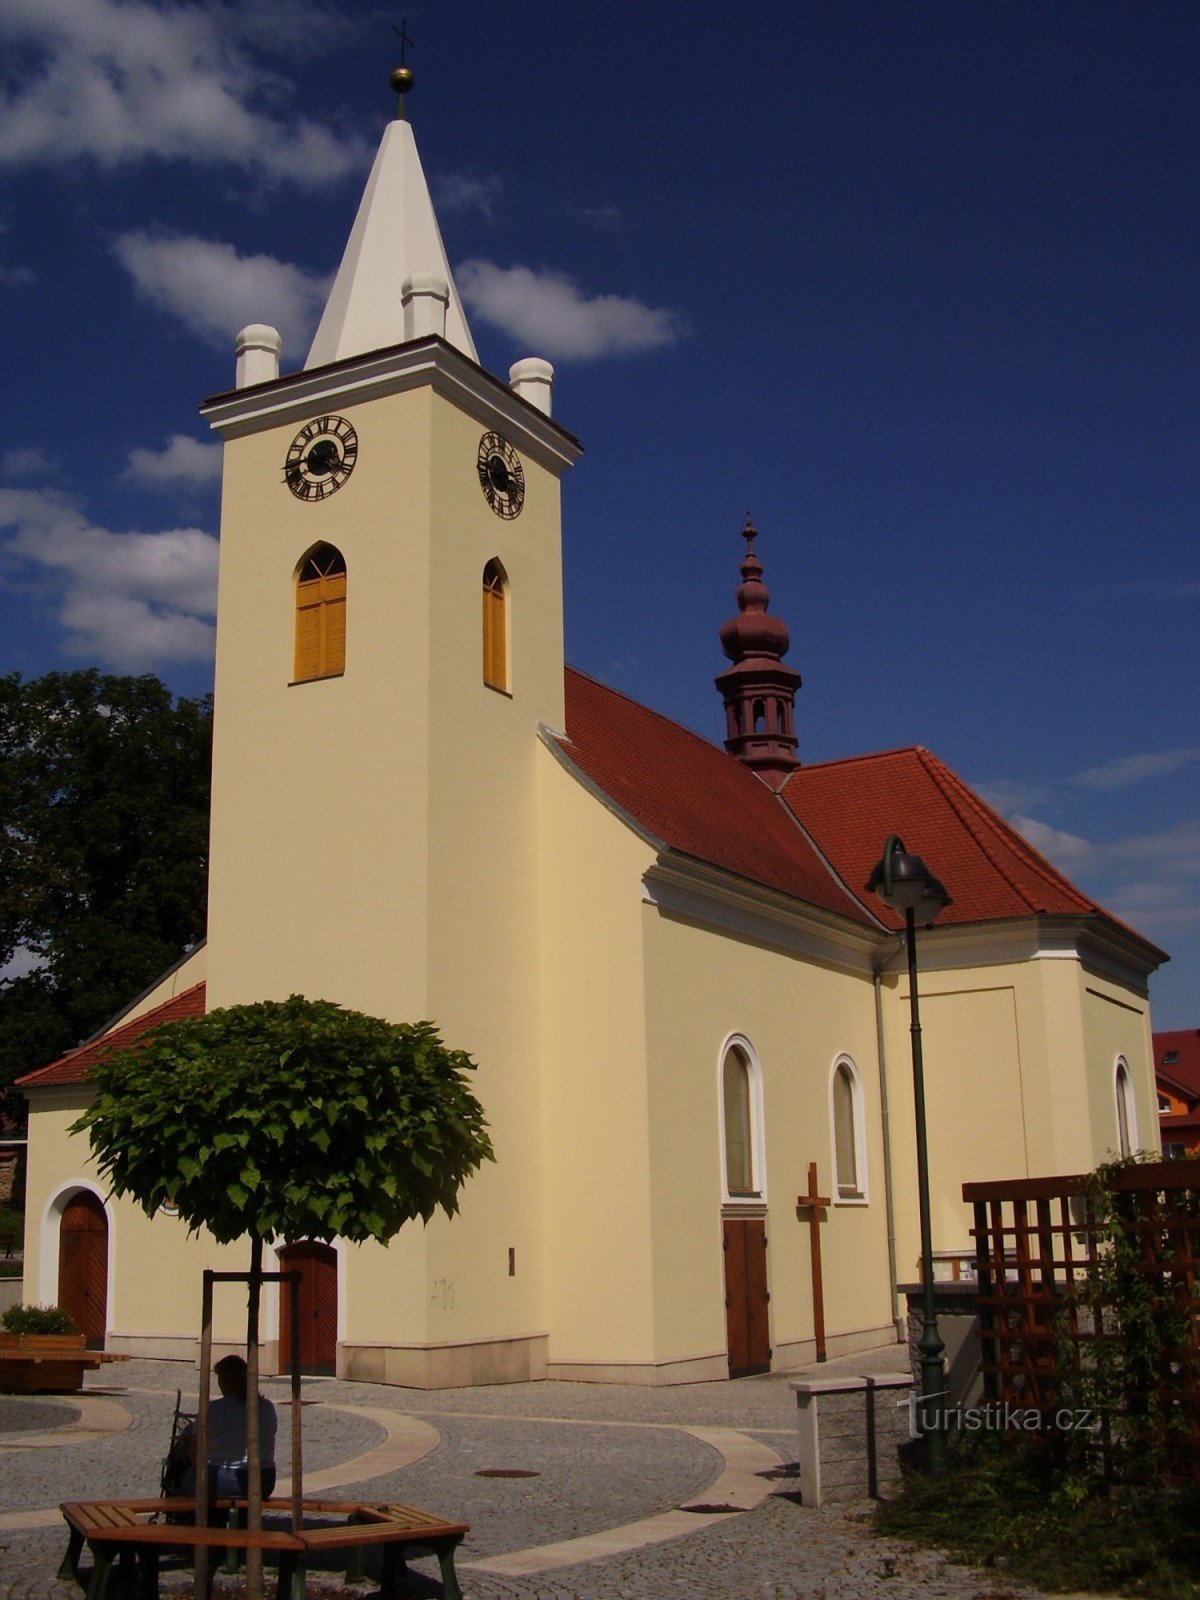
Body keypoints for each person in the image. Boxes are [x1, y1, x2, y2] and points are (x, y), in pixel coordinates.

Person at [177, 1354, 278, 1504]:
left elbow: (195, 1452)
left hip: (228, 1478)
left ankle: (194, 1523)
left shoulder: (214, 1409)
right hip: (265, 1479)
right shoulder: (267, 1406)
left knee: (187, 1480)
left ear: (224, 1381)